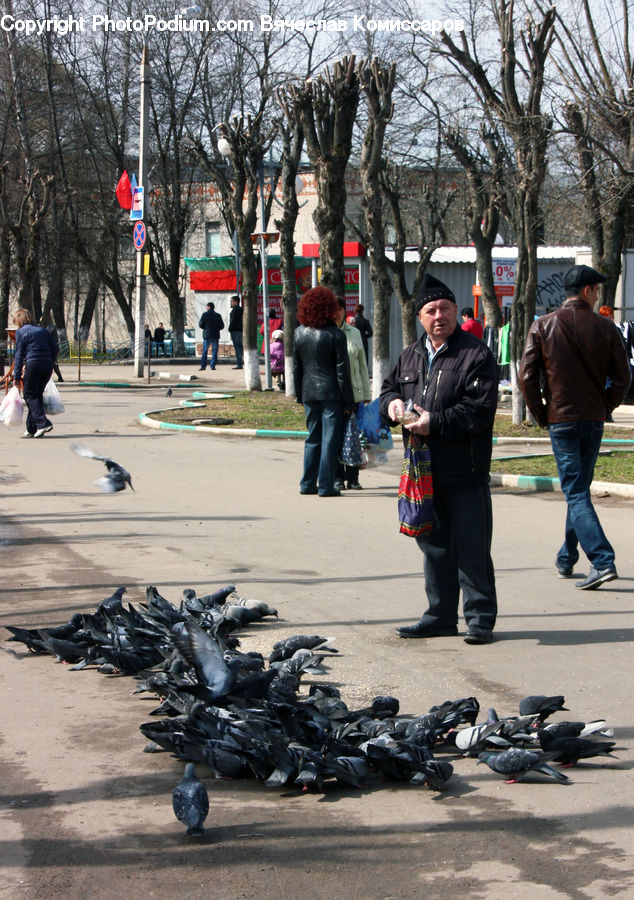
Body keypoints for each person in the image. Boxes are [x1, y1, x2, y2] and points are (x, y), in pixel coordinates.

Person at [379, 272, 499, 644]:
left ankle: (479, 618)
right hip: (423, 471)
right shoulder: (411, 355)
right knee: (435, 547)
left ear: (454, 313)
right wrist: (391, 405)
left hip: (465, 469)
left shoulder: (475, 354)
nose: (439, 316)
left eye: (445, 308)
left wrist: (436, 422)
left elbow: (480, 410)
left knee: (471, 547)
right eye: (430, 310)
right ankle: (440, 616)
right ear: (420, 317)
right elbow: (388, 389)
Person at [518, 264, 631, 590]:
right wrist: (605, 406)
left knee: (576, 490)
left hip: (562, 420)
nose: (597, 297)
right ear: (587, 291)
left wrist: (541, 414)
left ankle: (602, 560)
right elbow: (623, 378)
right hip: (592, 420)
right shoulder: (606, 328)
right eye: (596, 290)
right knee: (578, 488)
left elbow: (527, 377)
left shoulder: (543, 325)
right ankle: (567, 556)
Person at [293, 286, 354, 497]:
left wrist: (300, 395)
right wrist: (349, 402)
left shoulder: (299, 332)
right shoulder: (336, 334)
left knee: (313, 438)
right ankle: (327, 485)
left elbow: (297, 368)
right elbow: (342, 372)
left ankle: (307, 484)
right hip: (331, 395)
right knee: (329, 440)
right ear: (328, 308)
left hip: (309, 393)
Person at [333, 296, 371, 491]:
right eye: (333, 309)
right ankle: (338, 476)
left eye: (339, 309)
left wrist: (366, 392)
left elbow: (362, 365)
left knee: (354, 436)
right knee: (337, 436)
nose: (336, 312)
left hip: (355, 393)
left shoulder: (354, 333)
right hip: (335, 396)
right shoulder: (326, 332)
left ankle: (353, 477)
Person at [12, 308, 58, 438]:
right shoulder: (43, 330)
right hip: (47, 365)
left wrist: (16, 376)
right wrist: (51, 361)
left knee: (29, 395)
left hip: (33, 364)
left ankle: (43, 423)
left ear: (20, 322)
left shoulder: (21, 332)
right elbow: (55, 348)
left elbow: (19, 355)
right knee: (36, 395)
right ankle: (31, 428)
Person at [198, 302, 224, 371]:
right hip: (215, 335)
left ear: (208, 307)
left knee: (205, 351)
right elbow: (222, 326)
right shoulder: (218, 315)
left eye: (206, 306)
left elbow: (200, 324)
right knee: (214, 351)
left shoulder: (205, 315)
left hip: (207, 335)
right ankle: (212, 366)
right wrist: (216, 328)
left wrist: (205, 328)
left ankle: (203, 366)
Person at [228, 295, 244, 369]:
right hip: (241, 330)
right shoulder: (242, 309)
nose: (231, 303)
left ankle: (239, 363)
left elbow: (233, 320)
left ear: (236, 302)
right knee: (240, 347)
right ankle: (241, 362)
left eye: (232, 301)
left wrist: (230, 328)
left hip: (235, 330)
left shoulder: (235, 310)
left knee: (237, 347)